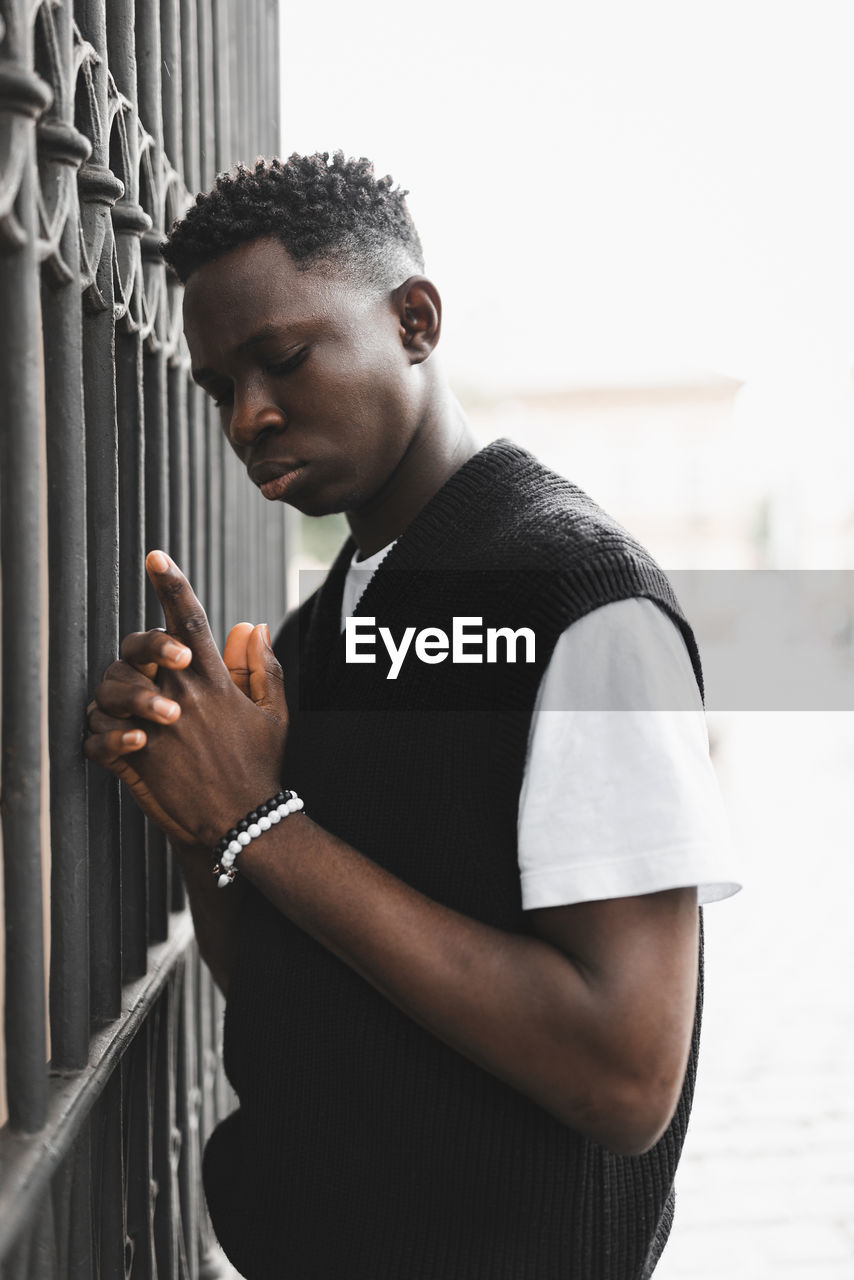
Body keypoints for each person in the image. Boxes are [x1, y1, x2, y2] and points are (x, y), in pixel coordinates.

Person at [85, 152, 740, 1280]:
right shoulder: (323, 626)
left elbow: (625, 1077)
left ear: (415, 322)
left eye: (282, 357)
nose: (248, 415)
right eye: (217, 387)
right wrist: (194, 788)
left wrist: (258, 816)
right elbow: (297, 989)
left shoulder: (580, 603)